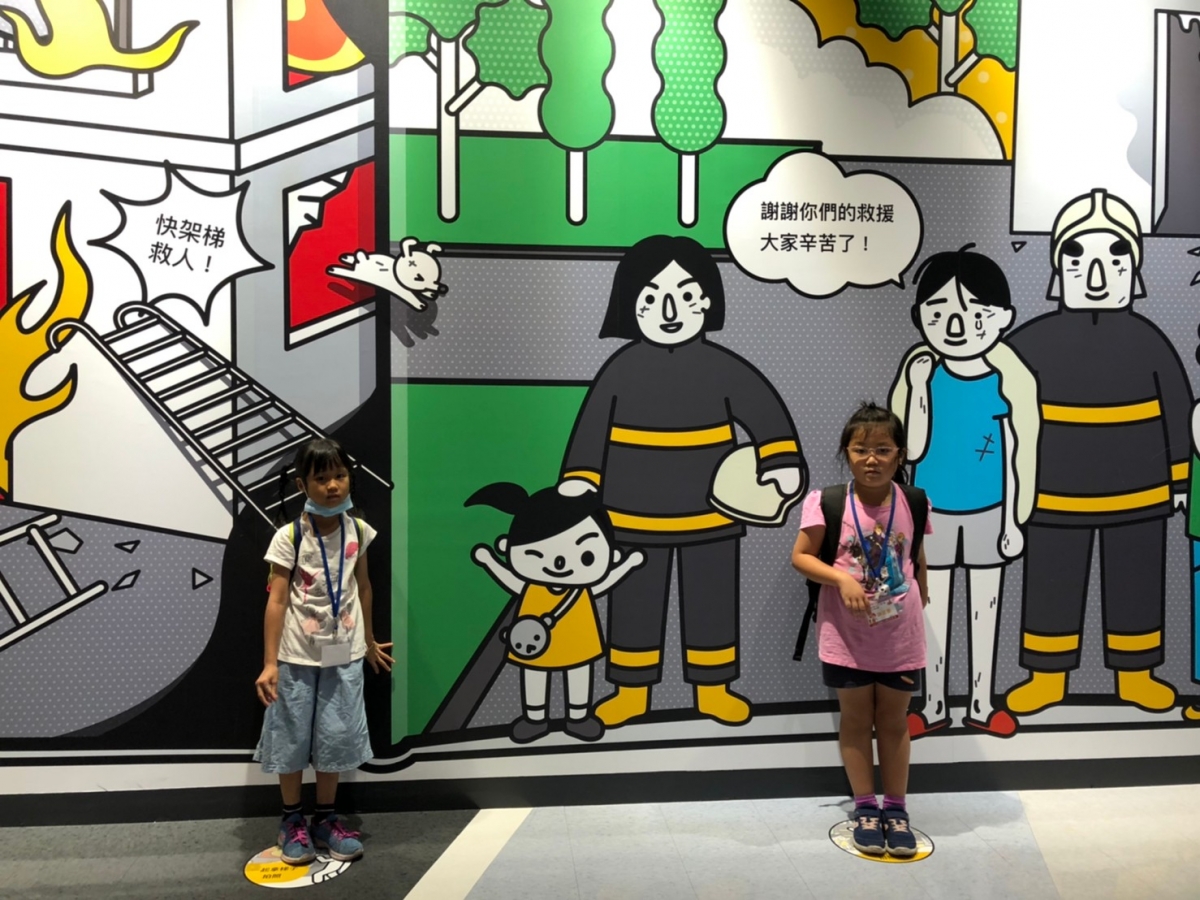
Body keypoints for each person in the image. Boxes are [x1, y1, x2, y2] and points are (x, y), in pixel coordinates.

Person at [559, 235, 806, 728]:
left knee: (712, 602)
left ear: (707, 300)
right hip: (630, 517)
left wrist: (780, 463)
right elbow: (590, 433)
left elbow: (766, 417)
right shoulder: (620, 369)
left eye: (685, 294)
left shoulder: (725, 368)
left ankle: (713, 688)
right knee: (634, 603)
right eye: (651, 297)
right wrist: (581, 481)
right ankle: (630, 690)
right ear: (630, 305)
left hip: (713, 514)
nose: (669, 310)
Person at [1004, 189, 1192, 716]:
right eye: (1077, 259)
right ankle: (1046, 675)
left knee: (1137, 583)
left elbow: (1178, 411)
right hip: (1052, 497)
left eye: (1114, 259)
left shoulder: (1150, 341)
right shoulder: (1029, 342)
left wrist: (1181, 480)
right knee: (1051, 584)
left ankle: (1136, 674)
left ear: (1133, 270)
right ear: (1058, 269)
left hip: (1140, 496)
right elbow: (1001, 410)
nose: (1095, 274)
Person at [889, 244, 1038, 737]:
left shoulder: (1005, 379)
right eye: (939, 312)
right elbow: (911, 449)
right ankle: (933, 704)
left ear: (1002, 318)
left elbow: (1017, 452)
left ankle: (981, 702)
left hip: (989, 511)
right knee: (930, 610)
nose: (956, 324)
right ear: (920, 318)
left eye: (975, 312)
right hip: (931, 513)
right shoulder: (922, 373)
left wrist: (1014, 520)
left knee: (984, 607)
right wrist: (918, 387)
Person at [791, 403, 931, 857]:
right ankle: (866, 807)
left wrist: (922, 587)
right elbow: (801, 556)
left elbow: (914, 551)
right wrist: (842, 579)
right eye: (860, 449)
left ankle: (897, 809)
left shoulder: (914, 500)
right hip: (845, 637)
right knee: (854, 721)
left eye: (883, 449)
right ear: (847, 453)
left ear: (900, 454)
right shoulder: (827, 502)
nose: (872, 459)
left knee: (893, 721)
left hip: (900, 636)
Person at [254, 438, 394, 865]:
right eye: (321, 478)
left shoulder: (359, 531)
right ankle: (291, 820)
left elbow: (363, 587)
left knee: (336, 737)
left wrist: (368, 641)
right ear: (303, 485)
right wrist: (270, 663)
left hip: (343, 656)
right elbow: (277, 600)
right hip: (296, 658)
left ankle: (326, 818)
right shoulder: (288, 537)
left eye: (339, 475)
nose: (333, 485)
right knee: (291, 739)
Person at [466, 481, 645, 743]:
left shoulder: (580, 590)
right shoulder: (532, 587)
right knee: (535, 674)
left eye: (586, 555)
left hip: (578, 637)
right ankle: (535, 718)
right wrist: (490, 562)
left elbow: (603, 583)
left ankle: (578, 716)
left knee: (579, 672)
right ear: (508, 547)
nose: (560, 564)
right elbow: (512, 581)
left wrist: (627, 566)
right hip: (535, 643)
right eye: (536, 554)